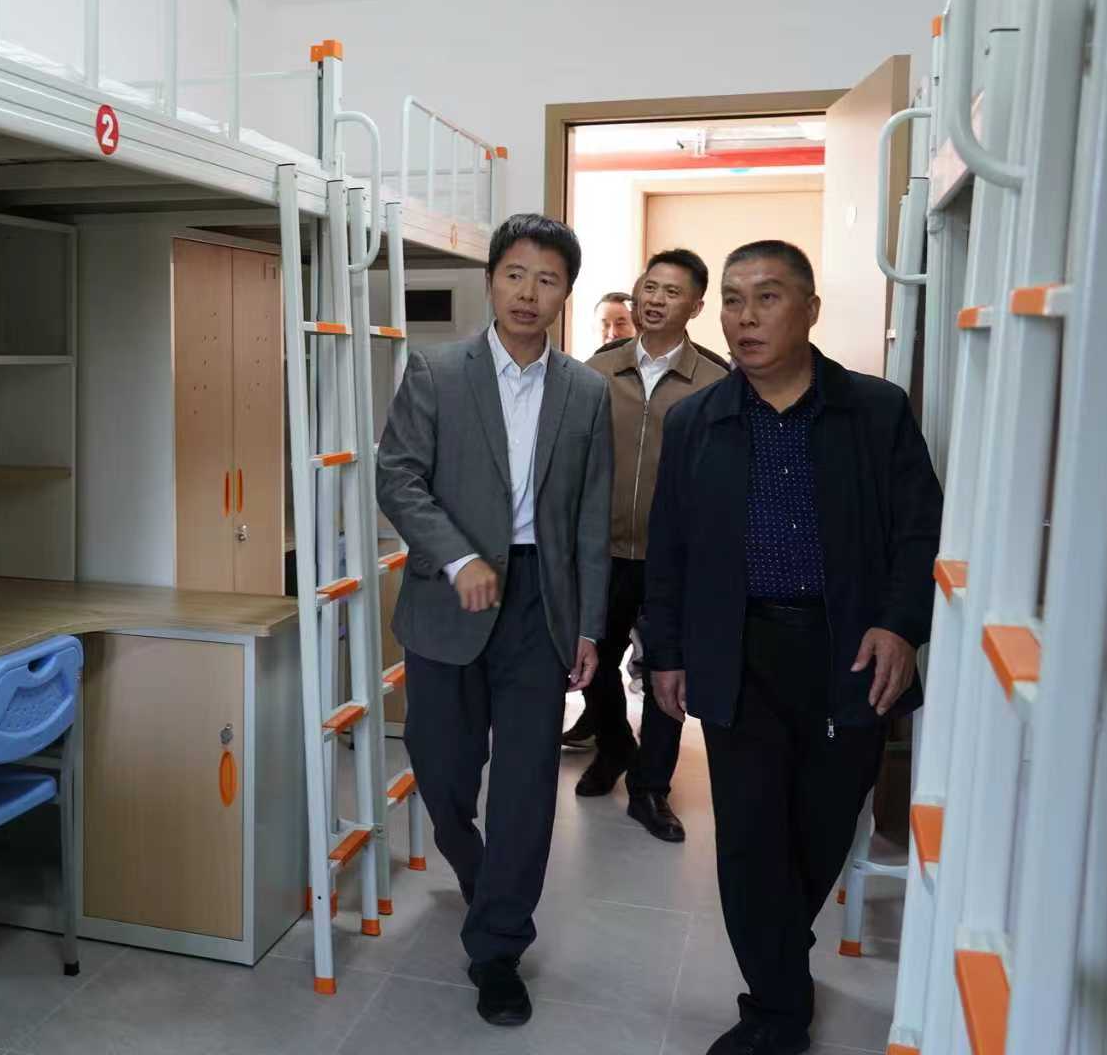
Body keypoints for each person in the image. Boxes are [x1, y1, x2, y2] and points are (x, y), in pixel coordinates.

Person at [644, 240, 942, 1055]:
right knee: (748, 839)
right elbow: (668, 549)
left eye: (767, 297)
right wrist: (665, 651)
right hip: (736, 649)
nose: (745, 317)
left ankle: (778, 955)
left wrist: (900, 623)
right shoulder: (698, 421)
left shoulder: (874, 412)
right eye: (733, 300)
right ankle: (776, 1011)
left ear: (810, 309)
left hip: (849, 652)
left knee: (819, 828)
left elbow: (920, 531)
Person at [376, 213, 612, 1028]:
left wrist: (590, 628)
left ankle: (499, 946)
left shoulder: (585, 392)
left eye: (547, 279)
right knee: (441, 771)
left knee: (525, 788)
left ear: (565, 293)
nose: (528, 292)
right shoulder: (436, 371)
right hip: (450, 598)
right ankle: (483, 878)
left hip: (541, 606)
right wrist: (457, 558)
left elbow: (590, 520)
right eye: (515, 274)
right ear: (491, 281)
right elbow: (399, 479)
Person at [574, 249, 727, 849]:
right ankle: (615, 746)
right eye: (649, 288)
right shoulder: (597, 370)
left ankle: (650, 787)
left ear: (696, 305)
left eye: (672, 292)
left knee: (668, 670)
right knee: (590, 661)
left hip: (675, 559)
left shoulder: (716, 381)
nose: (656, 300)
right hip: (602, 550)